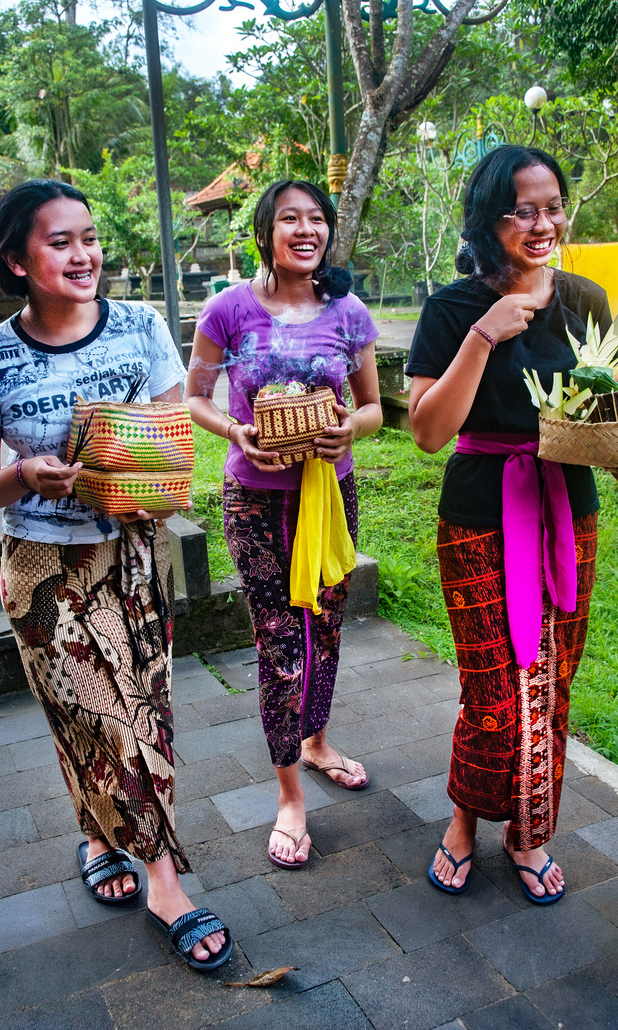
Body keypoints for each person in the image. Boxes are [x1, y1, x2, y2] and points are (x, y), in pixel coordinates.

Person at [0, 179, 232, 970]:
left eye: (89, 237)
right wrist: (22, 476)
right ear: (15, 260)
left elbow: (173, 434)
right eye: (59, 242)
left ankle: (95, 834)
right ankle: (166, 882)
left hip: (134, 552)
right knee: (104, 719)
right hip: (43, 568)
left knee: (142, 713)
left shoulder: (140, 327)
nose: (84, 255)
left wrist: (136, 471)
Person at [407, 145, 618, 905]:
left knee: (553, 679)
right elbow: (428, 432)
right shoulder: (451, 308)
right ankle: (465, 822)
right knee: (492, 686)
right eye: (523, 210)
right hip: (478, 512)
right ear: (489, 217)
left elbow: (612, 410)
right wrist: (485, 334)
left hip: (568, 508)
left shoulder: (586, 300)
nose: (543, 223)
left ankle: (531, 831)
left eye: (551, 206)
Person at [185, 179, 382, 868]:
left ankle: (317, 739)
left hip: (329, 496)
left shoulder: (348, 311)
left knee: (325, 625)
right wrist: (236, 432)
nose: (307, 230)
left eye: (318, 219)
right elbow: (194, 397)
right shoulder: (228, 309)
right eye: (291, 219)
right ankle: (289, 795)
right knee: (278, 644)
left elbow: (373, 409)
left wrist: (345, 431)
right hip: (255, 501)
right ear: (265, 230)